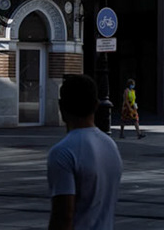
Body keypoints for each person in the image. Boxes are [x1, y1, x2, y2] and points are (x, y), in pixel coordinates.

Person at [47, 73, 121, 230]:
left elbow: (63, 216)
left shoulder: (62, 152)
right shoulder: (110, 145)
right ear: (96, 105)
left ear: (61, 106)